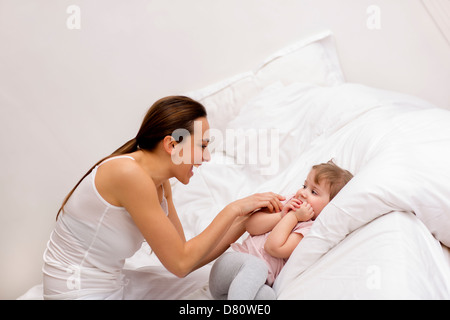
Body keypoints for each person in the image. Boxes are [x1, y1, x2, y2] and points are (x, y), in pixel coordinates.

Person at [42, 96, 284, 299]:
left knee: (208, 280)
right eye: (201, 146)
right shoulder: (128, 175)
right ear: (171, 144)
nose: (207, 156)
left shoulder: (159, 182)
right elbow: (180, 264)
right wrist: (233, 209)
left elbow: (189, 257)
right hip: (77, 291)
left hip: (113, 281)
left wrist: (244, 220)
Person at [208, 160, 353, 300]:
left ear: (330, 206)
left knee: (268, 296)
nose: (303, 193)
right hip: (231, 267)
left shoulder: (308, 231)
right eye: (304, 186)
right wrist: (281, 215)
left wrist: (293, 217)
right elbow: (251, 226)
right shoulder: (288, 203)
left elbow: (273, 247)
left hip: (247, 287)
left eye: (314, 192)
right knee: (257, 267)